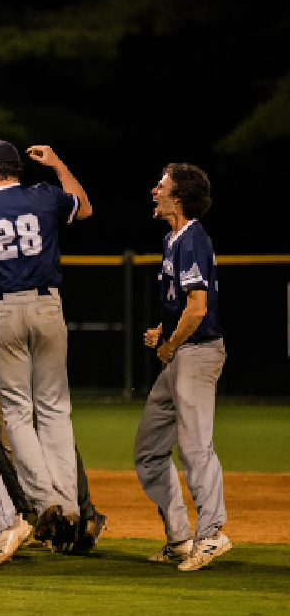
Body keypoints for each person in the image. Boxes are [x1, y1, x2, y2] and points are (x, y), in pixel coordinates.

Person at [0, 139, 92, 544]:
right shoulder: (45, 196)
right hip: (49, 307)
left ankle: (43, 497)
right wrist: (58, 162)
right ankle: (69, 504)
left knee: (16, 412)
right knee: (54, 409)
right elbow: (84, 206)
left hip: (4, 310)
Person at [134, 163, 228, 572]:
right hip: (183, 350)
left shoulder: (192, 239)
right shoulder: (173, 239)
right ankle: (180, 538)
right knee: (150, 451)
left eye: (162, 185)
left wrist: (171, 343)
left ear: (179, 197)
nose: (154, 190)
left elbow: (198, 308)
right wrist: (164, 332)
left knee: (195, 448)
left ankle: (212, 535)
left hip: (197, 352)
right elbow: (184, 307)